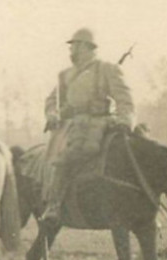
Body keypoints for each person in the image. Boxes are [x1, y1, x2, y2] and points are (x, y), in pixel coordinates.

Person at [41, 28, 135, 225]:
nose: (71, 50)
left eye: (73, 45)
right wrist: (52, 114)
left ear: (84, 46)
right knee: (62, 158)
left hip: (100, 123)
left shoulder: (107, 69)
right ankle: (54, 205)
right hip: (71, 126)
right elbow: (51, 101)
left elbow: (124, 99)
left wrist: (125, 120)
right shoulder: (65, 75)